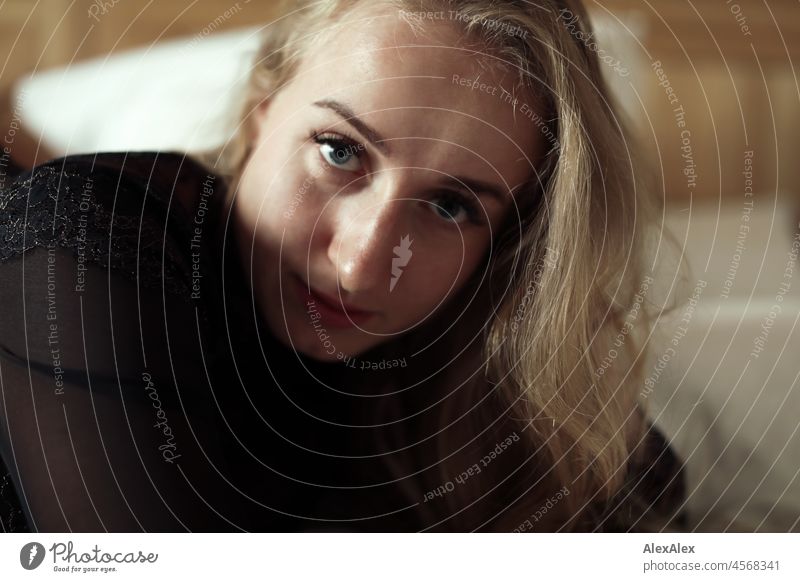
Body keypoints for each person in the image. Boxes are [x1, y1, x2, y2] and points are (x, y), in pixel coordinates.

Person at [0, 0, 686, 532]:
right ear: (259, 116)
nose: (361, 264)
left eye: (450, 206)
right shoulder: (82, 243)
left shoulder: (474, 352)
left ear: (509, 237)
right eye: (339, 151)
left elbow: (644, 502)